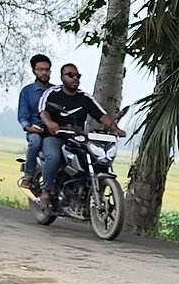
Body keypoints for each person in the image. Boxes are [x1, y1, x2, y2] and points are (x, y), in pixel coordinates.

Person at [36, 63, 125, 209]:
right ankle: (45, 192)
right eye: (70, 75)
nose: (75, 78)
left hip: (77, 137)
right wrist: (50, 123)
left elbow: (101, 115)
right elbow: (42, 110)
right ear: (62, 77)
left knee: (91, 158)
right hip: (55, 136)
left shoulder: (84, 98)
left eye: (77, 76)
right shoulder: (53, 93)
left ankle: (84, 190)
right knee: (54, 156)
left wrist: (116, 129)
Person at [16, 53, 52, 189]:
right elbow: (22, 116)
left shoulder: (55, 90)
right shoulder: (27, 91)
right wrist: (28, 127)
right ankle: (28, 175)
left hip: (52, 130)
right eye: (40, 69)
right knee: (35, 142)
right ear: (34, 71)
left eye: (47, 69)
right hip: (35, 129)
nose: (44, 72)